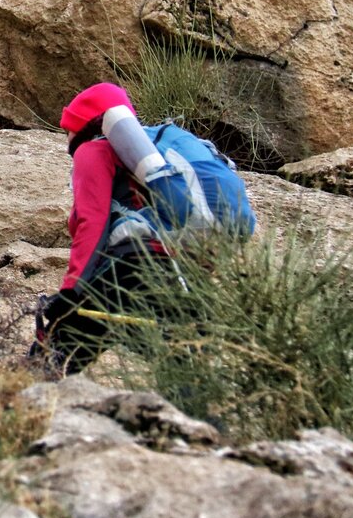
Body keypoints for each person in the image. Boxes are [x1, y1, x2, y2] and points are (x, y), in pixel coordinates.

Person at [33, 82, 254, 374]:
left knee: (56, 345)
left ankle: (22, 405)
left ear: (83, 126)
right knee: (181, 364)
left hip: (131, 267)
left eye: (68, 130)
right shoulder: (168, 149)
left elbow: (92, 220)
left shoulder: (94, 149)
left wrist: (72, 291)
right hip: (184, 274)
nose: (67, 141)